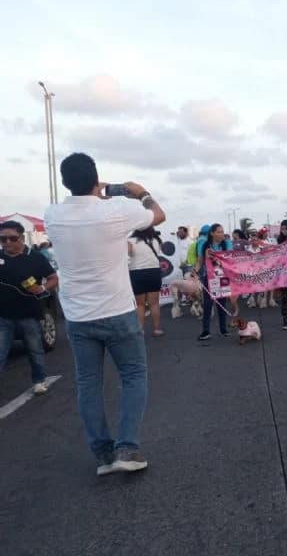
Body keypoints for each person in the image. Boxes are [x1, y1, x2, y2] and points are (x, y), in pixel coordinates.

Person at [44, 152, 165, 476]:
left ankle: (102, 453)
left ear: (64, 182)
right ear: (96, 180)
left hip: (78, 316)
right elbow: (158, 214)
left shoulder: (53, 215)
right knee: (133, 376)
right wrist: (140, 192)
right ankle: (127, 448)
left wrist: (99, 190)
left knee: (88, 384)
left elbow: (85, 198)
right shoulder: (118, 210)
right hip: (117, 311)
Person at [0, 221, 58, 395]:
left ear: (22, 238)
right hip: (3, 316)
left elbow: (53, 278)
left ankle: (39, 381)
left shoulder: (36, 257)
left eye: (12, 238)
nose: (8, 242)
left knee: (35, 350)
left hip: (29, 314)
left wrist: (42, 288)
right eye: (3, 239)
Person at [194, 223, 233, 341]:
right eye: (219, 232)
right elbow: (200, 262)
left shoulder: (227, 244)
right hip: (209, 278)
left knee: (222, 304)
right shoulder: (204, 245)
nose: (221, 234)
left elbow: (230, 260)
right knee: (207, 305)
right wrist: (194, 272)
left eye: (222, 231)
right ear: (212, 233)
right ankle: (206, 331)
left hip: (223, 278)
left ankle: (223, 329)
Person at [128, 228, 164, 336]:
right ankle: (157, 329)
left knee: (140, 305)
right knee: (154, 303)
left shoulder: (131, 240)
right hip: (154, 272)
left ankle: (141, 331)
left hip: (137, 273)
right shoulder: (156, 240)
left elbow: (126, 256)